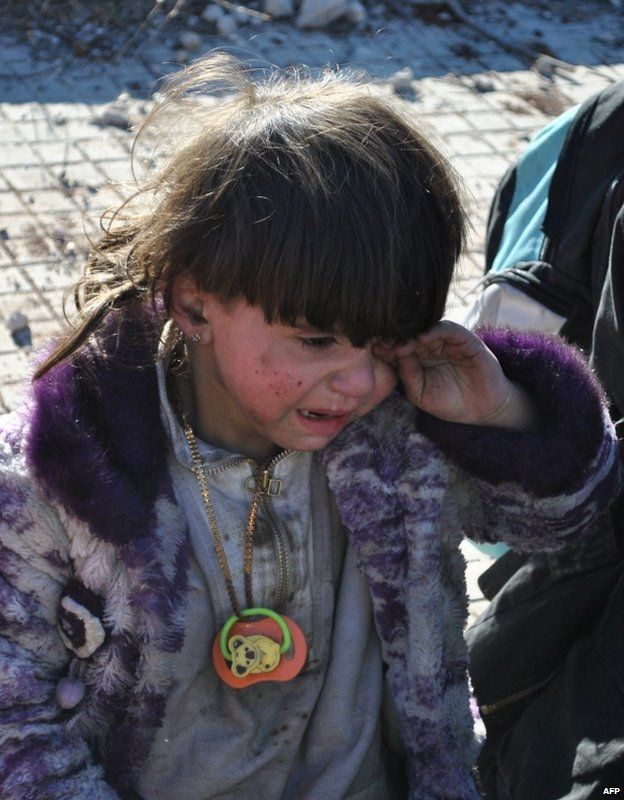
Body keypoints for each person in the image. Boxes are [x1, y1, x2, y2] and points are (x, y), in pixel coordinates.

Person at [0, 54, 620, 800]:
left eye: (385, 339)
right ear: (195, 306)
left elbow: (569, 529)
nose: (359, 382)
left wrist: (503, 414)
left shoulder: (401, 439)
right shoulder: (62, 482)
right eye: (318, 342)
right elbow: (14, 728)